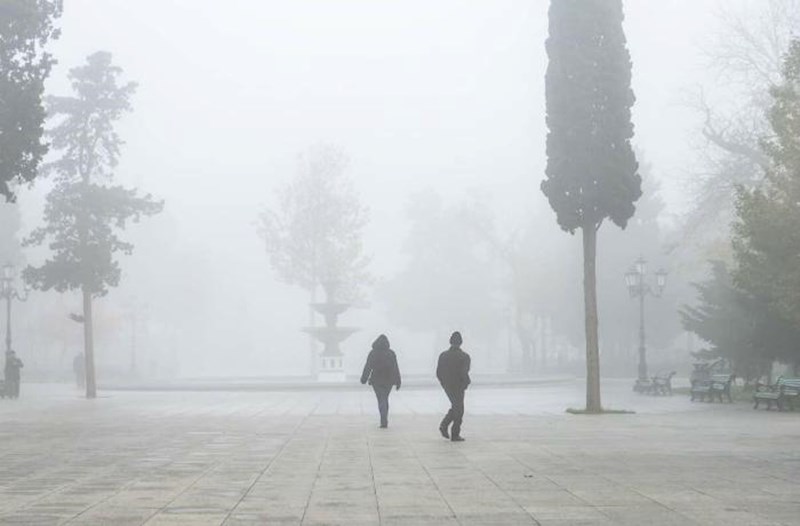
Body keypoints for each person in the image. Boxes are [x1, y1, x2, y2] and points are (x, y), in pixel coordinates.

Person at [360, 334, 401, 428]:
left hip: (376, 380)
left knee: (381, 399)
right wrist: (398, 381)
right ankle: (384, 419)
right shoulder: (391, 353)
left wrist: (364, 379)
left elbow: (368, 366)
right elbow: (395, 367)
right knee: (385, 398)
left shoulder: (373, 353)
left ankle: (383, 420)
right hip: (389, 380)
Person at [436, 331, 471, 442]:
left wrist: (443, 382)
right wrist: (466, 383)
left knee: (456, 407)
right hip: (458, 386)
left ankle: (445, 426)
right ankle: (453, 432)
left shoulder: (443, 356)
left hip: (448, 385)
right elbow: (464, 372)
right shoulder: (464, 356)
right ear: (460, 342)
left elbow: (438, 372)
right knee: (459, 409)